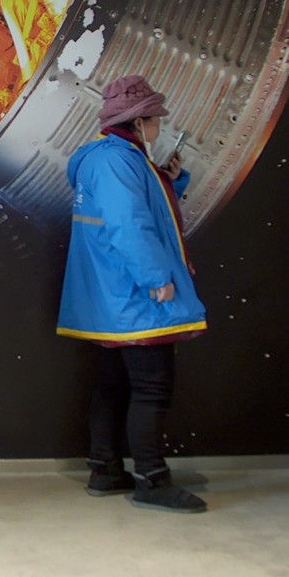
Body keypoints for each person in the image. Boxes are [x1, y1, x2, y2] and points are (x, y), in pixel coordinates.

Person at [57, 74, 208, 513]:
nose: (160, 126)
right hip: (133, 297)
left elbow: (139, 209)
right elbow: (129, 225)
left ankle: (105, 469)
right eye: (156, 118)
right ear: (139, 121)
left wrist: (169, 181)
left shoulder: (106, 159)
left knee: (113, 384)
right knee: (151, 388)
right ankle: (152, 480)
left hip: (111, 298)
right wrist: (156, 278)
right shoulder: (121, 162)